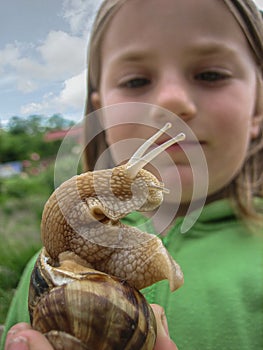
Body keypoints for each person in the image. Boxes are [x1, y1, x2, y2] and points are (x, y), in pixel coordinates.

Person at [2, 0, 263, 349]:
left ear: (258, 107)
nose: (171, 100)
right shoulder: (48, 267)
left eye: (210, 75)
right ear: (100, 112)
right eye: (136, 80)